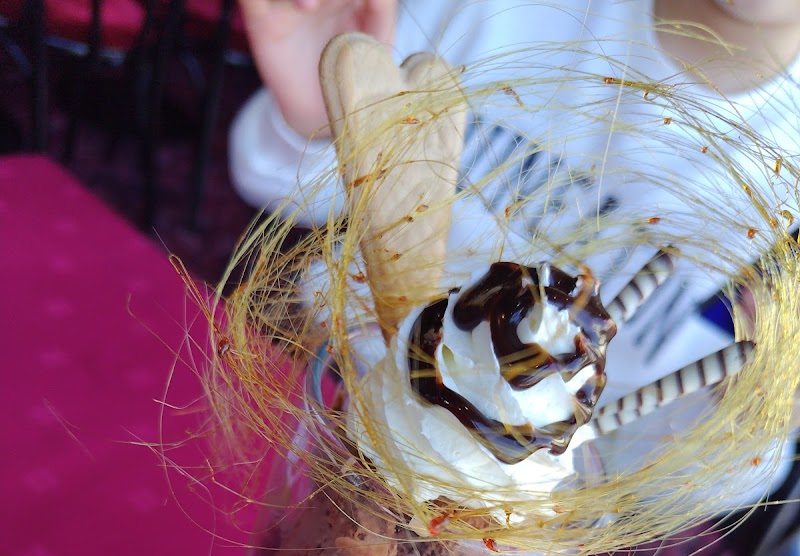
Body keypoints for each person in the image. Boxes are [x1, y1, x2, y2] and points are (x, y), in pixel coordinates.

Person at [227, 0, 800, 502]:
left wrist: (754, 419)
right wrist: (318, 128)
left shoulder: (782, 179)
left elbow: (668, 468)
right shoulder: (501, 12)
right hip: (319, 372)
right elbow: (300, 192)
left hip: (516, 499)